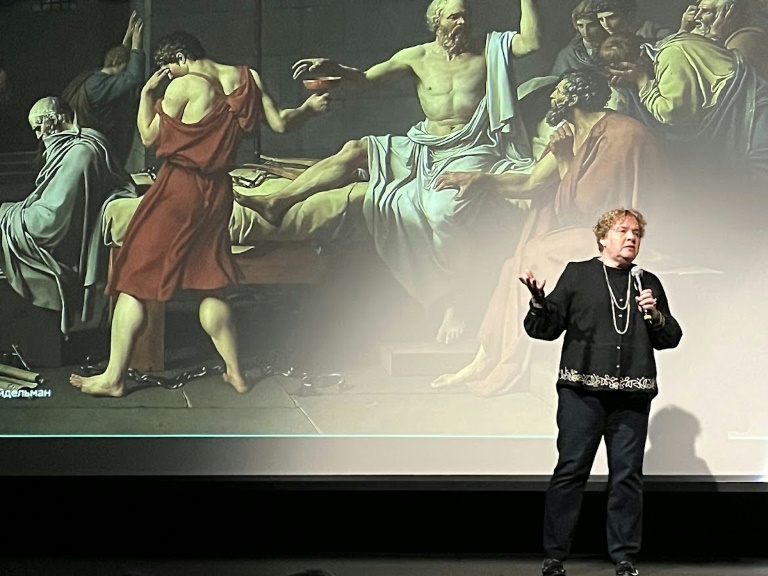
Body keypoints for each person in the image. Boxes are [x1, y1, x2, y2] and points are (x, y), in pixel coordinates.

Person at [234, 0, 542, 344]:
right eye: (454, 16)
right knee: (355, 150)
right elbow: (367, 79)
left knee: (444, 210)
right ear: (436, 21)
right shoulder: (417, 57)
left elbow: (531, 43)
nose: (462, 22)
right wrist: (334, 68)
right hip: (426, 144)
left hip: (473, 149)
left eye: (466, 15)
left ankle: (453, 300)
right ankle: (278, 201)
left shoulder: (491, 47)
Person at [69, 31, 329, 397]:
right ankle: (236, 373)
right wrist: (308, 110)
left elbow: (148, 137)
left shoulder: (183, 87)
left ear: (179, 58)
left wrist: (146, 94)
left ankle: (113, 377)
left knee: (133, 279)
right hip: (217, 193)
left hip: (178, 189)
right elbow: (283, 123)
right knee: (210, 284)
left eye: (168, 70)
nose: (168, 77)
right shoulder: (247, 78)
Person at [430, 70, 671, 395]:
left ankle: (507, 363)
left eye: (557, 91)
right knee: (512, 264)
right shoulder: (573, 132)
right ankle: (486, 357)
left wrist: (563, 159)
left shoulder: (619, 135)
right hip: (594, 232)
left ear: (574, 96)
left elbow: (588, 210)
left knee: (534, 254)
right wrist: (481, 179)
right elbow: (532, 182)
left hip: (623, 236)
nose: (552, 98)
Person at [523, 208, 682, 576]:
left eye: (637, 233)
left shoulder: (648, 282)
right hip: (582, 394)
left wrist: (656, 316)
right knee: (571, 469)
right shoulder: (579, 274)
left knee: (626, 475)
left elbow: (670, 337)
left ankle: (624, 557)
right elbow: (545, 328)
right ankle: (555, 555)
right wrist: (538, 302)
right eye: (623, 230)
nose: (632, 237)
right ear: (602, 238)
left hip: (632, 397)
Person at [0, 96, 134, 335]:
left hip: (64, 239)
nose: (39, 135)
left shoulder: (79, 154)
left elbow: (50, 220)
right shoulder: (85, 143)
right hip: (65, 221)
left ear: (56, 119)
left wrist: (9, 215)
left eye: (40, 126)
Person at [62, 10, 146, 168]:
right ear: (117, 63)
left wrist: (127, 38)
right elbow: (133, 78)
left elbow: (120, 57)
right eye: (125, 67)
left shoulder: (95, 77)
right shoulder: (100, 86)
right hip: (98, 148)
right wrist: (136, 45)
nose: (125, 71)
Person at [680, 0, 768, 78]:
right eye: (697, 10)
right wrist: (683, 31)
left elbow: (726, 84)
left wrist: (714, 37)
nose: (696, 17)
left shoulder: (744, 40)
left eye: (706, 11)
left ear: (728, 14)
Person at [550, 0, 609, 76]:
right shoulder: (567, 55)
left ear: (601, 25)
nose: (585, 31)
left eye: (591, 25)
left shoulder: (615, 49)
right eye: (580, 26)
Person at [593, 0, 675, 42]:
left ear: (628, 14)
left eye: (611, 17)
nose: (606, 24)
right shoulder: (606, 39)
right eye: (601, 19)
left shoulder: (659, 33)